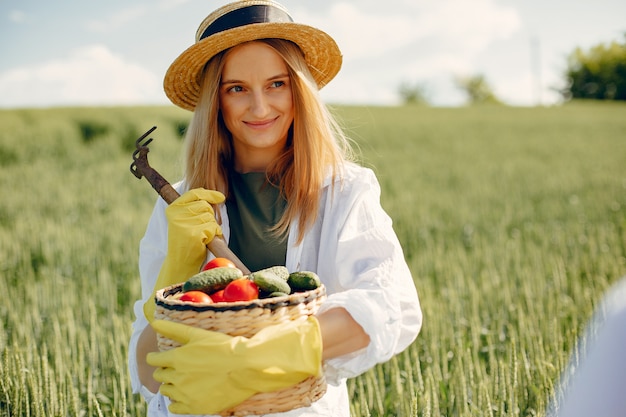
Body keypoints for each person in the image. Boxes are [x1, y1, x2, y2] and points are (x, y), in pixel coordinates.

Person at [128, 1, 423, 416]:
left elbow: (394, 306)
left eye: (276, 84)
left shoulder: (344, 191)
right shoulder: (182, 207)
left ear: (298, 89)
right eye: (237, 88)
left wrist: (275, 353)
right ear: (216, 101)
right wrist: (176, 269)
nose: (261, 108)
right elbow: (147, 372)